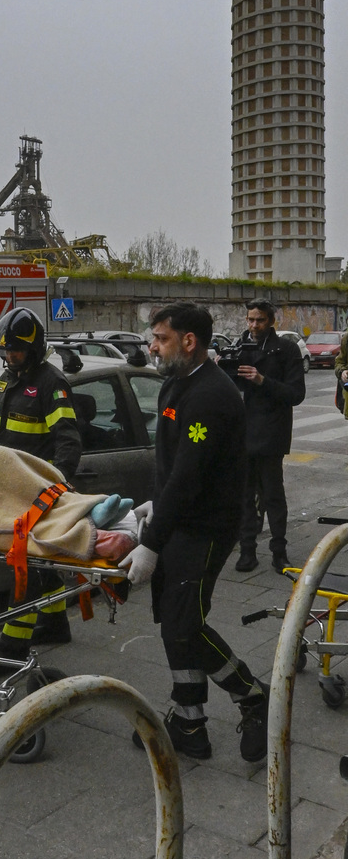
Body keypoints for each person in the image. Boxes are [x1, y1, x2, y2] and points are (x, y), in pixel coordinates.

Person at [123, 303, 270, 762]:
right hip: (178, 522)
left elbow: (189, 478)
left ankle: (252, 695)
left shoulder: (211, 395)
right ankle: (189, 722)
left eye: (161, 338)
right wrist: (153, 506)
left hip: (206, 529)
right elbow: (169, 465)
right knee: (173, 620)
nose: (152, 346)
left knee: (185, 622)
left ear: (190, 341)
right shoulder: (175, 384)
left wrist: (148, 543)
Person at [0, 307, 82, 659]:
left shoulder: (50, 383)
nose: (10, 356)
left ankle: (12, 647)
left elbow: (68, 440)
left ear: (34, 348)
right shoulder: (8, 379)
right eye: (5, 350)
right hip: (10, 485)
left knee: (23, 565)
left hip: (37, 489)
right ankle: (56, 625)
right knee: (38, 562)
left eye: (16, 350)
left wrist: (56, 485)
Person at [226, 299, 305, 574]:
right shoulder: (241, 345)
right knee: (246, 495)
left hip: (272, 433)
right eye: (249, 319)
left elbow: (296, 394)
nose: (253, 325)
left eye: (259, 320)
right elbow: (231, 386)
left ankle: (279, 552)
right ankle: (247, 551)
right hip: (244, 432)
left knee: (273, 495)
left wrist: (262, 380)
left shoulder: (286, 348)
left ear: (271, 320)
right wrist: (222, 365)